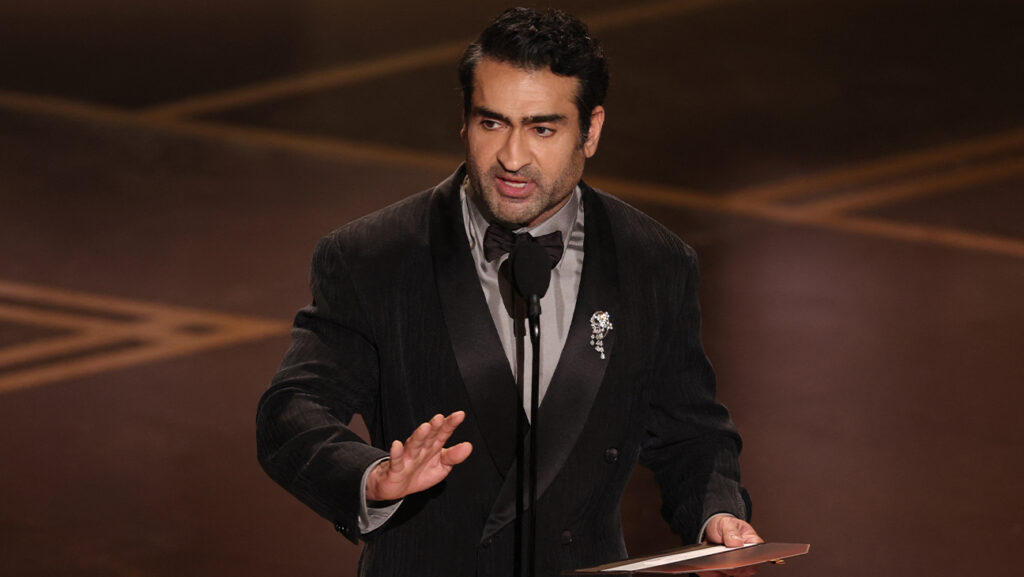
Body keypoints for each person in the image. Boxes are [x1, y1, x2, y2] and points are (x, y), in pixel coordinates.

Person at [256, 7, 761, 576]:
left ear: (590, 130)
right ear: (464, 120)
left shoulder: (654, 263)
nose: (512, 159)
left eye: (542, 128)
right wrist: (372, 477)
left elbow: (692, 434)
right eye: (491, 123)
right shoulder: (373, 257)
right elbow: (291, 414)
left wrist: (717, 512)